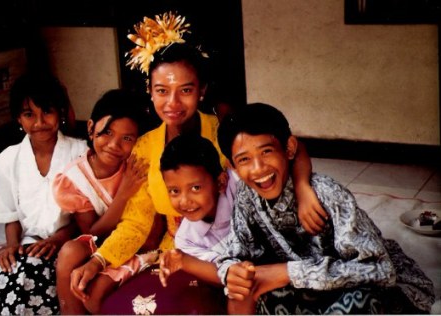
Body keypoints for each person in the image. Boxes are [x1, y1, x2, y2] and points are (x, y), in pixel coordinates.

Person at [71, 12, 323, 315]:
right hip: (175, 254)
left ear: (202, 90)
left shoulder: (226, 134)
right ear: (149, 92)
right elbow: (137, 223)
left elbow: (291, 149)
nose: (173, 104)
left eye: (186, 90)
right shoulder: (145, 147)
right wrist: (99, 260)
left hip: (234, 254)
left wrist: (304, 188)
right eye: (162, 91)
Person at [215, 102, 435, 314]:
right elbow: (234, 252)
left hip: (380, 290)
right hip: (315, 288)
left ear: (289, 148)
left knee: (358, 301)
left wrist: (288, 272)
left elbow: (381, 270)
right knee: (248, 288)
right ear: (232, 166)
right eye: (244, 159)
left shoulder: (326, 193)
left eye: (266, 152)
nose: (258, 168)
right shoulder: (246, 195)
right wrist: (233, 272)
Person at [0, 73, 88, 315]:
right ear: (18, 118)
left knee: (29, 286)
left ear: (59, 112)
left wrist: (56, 241)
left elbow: (86, 218)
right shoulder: (4, 162)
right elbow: (12, 218)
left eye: (47, 112)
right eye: (29, 114)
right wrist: (12, 248)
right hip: (28, 245)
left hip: (69, 245)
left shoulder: (81, 154)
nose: (39, 122)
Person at [52, 89, 158, 314]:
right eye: (107, 132)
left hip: (137, 238)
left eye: (127, 138)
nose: (114, 145)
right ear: (91, 128)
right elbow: (93, 232)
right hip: (101, 238)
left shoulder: (137, 164)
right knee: (70, 251)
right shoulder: (75, 178)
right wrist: (123, 194)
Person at [158, 134, 237, 288]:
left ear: (221, 182)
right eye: (174, 191)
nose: (184, 201)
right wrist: (185, 261)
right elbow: (225, 274)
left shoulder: (237, 184)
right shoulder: (186, 240)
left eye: (195, 188)